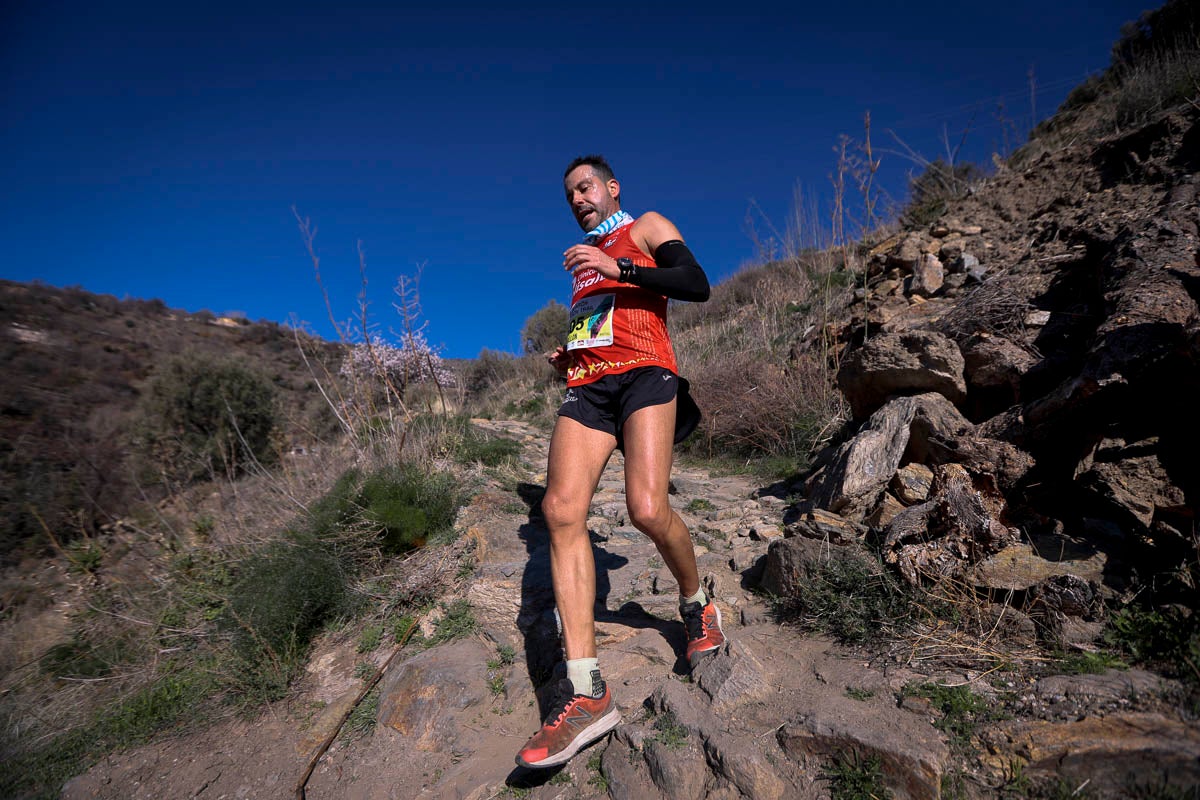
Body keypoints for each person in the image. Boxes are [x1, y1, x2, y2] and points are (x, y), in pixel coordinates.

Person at [516, 155, 724, 770]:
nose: (578, 198)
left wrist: (621, 263)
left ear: (611, 188)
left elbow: (694, 282)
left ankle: (696, 603)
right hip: (591, 387)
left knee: (647, 509)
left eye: (586, 187)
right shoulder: (581, 268)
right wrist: (573, 350)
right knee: (558, 511)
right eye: (569, 194)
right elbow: (602, 320)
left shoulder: (645, 227)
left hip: (647, 377)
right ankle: (587, 693)